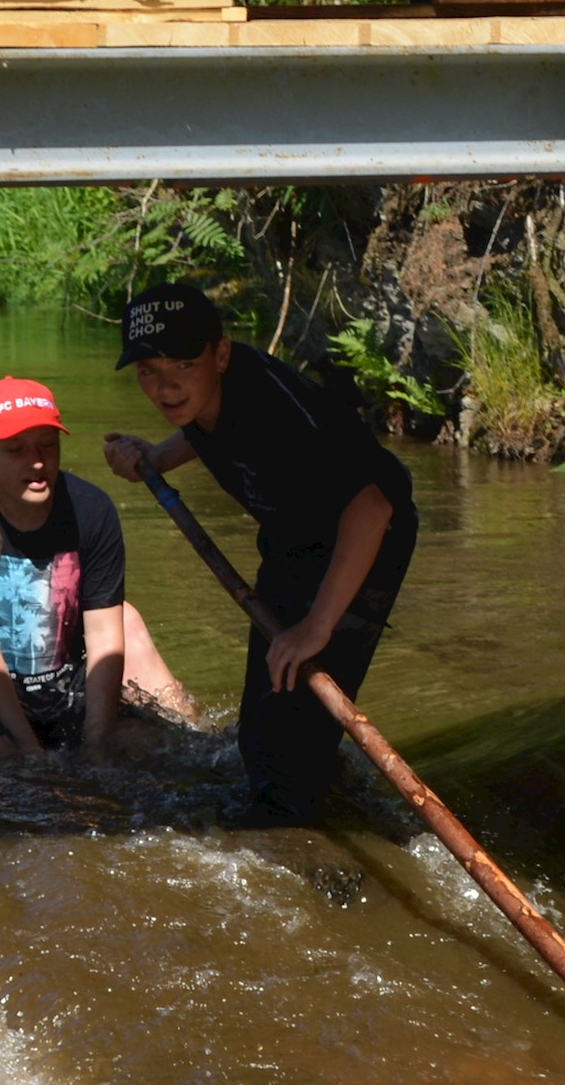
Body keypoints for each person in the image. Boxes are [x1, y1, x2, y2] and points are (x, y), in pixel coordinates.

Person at [98, 282, 415, 824]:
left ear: (220, 353)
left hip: (363, 542)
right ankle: (316, 799)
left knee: (293, 733)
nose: (166, 387)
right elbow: (203, 426)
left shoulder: (272, 408)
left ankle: (299, 835)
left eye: (182, 365)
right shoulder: (208, 392)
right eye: (149, 370)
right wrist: (155, 457)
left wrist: (317, 625)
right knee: (264, 726)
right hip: (294, 542)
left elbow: (373, 509)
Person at [0, 378, 191, 769]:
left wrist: (98, 744)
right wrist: (31, 751)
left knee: (151, 749)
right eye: (16, 450)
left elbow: (103, 637)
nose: (36, 461)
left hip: (66, 683)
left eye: (48, 444)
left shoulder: (92, 510)